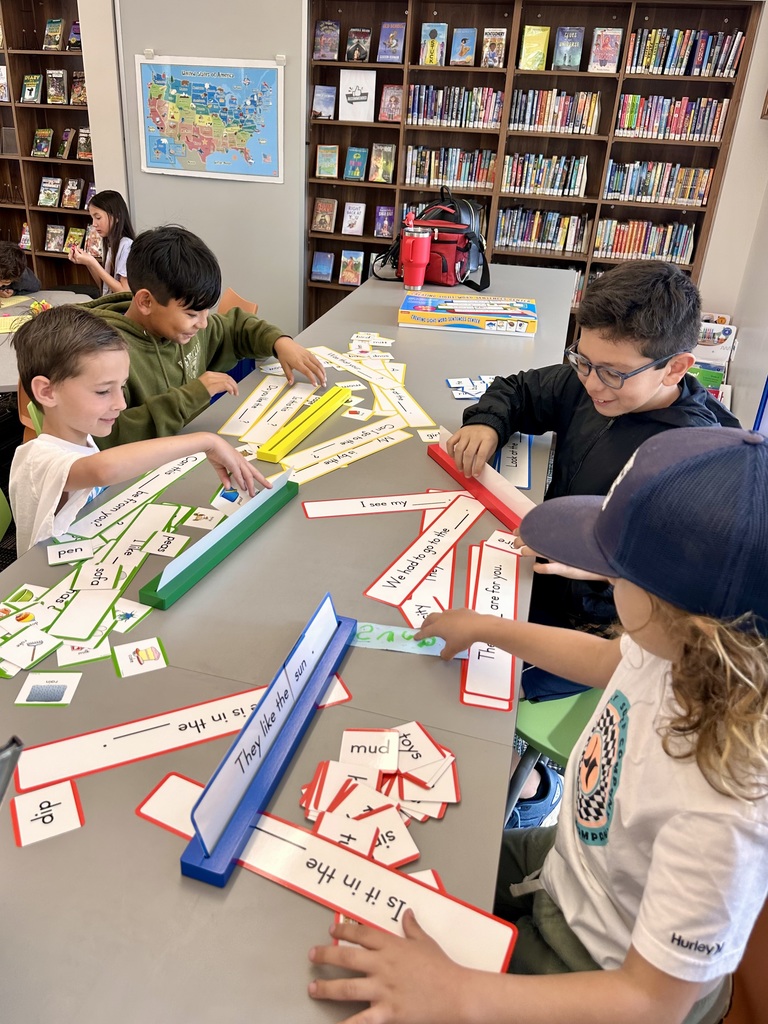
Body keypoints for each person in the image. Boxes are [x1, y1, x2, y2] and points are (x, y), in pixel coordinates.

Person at [309, 426, 768, 1024]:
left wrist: (458, 994)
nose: (603, 580)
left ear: (689, 620)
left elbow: (650, 1003)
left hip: (589, 968)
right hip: (565, 865)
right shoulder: (674, 650)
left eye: (615, 573)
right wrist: (490, 628)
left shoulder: (724, 810)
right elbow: (608, 661)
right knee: (387, 874)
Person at [449, 260, 740, 701]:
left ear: (675, 368)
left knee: (470, 689)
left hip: (598, 632)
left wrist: (602, 568)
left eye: (612, 372)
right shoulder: (596, 378)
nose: (591, 383)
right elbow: (520, 390)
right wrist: (487, 423)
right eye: (582, 360)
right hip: (538, 575)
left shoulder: (695, 462)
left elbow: (682, 600)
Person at [9, 305, 269, 554]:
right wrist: (206, 441)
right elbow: (103, 470)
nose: (120, 404)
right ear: (47, 391)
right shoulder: (37, 459)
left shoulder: (81, 435)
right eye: (102, 391)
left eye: (121, 387)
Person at [84, 224, 326, 448]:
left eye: (206, 311)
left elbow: (236, 327)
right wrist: (192, 396)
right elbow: (108, 436)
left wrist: (279, 342)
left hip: (196, 450)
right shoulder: (106, 358)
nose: (203, 323)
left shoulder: (184, 329)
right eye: (191, 314)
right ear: (146, 301)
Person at [68, 189, 136, 295]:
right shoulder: (111, 244)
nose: (94, 224)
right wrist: (88, 263)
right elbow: (104, 286)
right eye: (92, 218)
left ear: (117, 216)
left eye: (98, 217)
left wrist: (93, 262)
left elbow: (124, 292)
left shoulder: (127, 245)